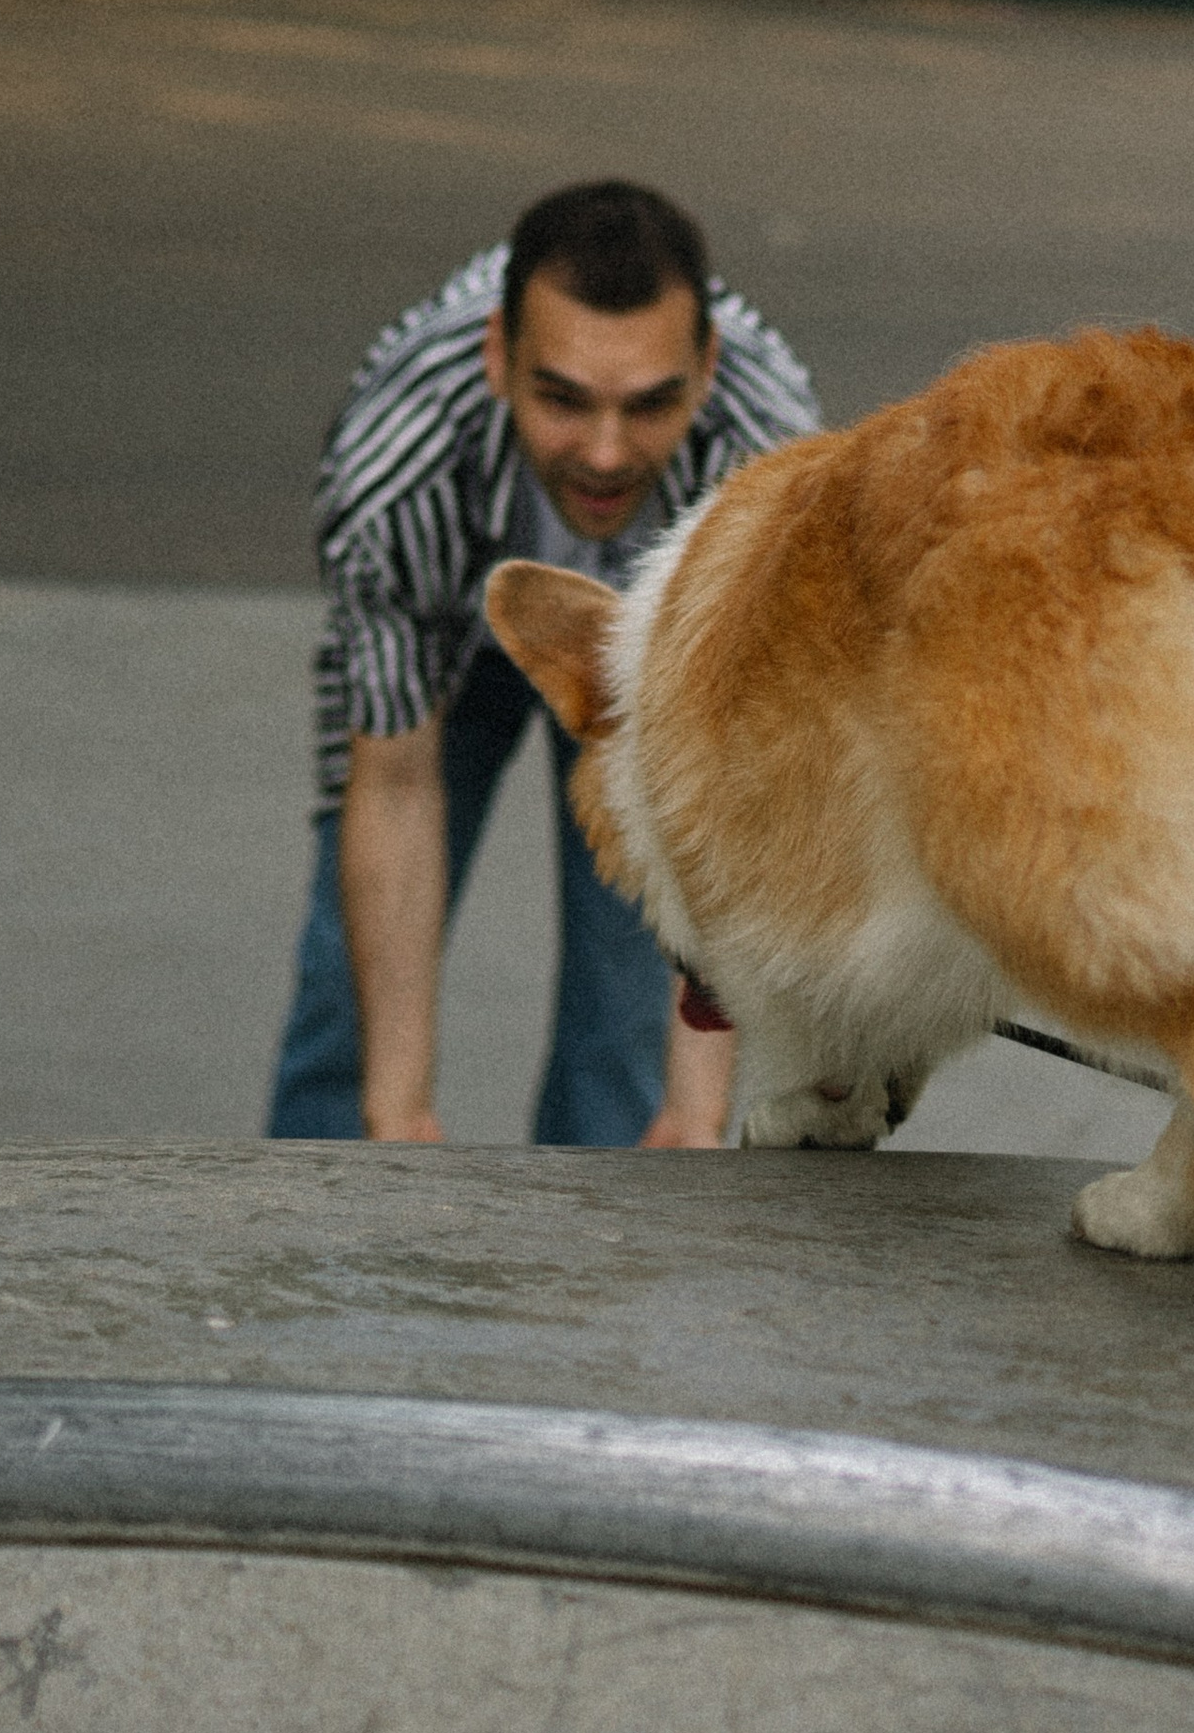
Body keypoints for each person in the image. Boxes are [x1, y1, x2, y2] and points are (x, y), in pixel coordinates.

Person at [266, 180, 820, 1147]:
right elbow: (395, 784)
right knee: (350, 1002)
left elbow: (735, 802)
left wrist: (695, 1114)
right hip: (452, 628)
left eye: (649, 406)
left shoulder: (770, 466)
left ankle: (613, 1226)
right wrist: (396, 1116)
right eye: (562, 400)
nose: (604, 454)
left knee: (627, 1005)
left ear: (707, 370)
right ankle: (320, 1212)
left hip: (650, 660)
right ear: (496, 357)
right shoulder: (395, 468)